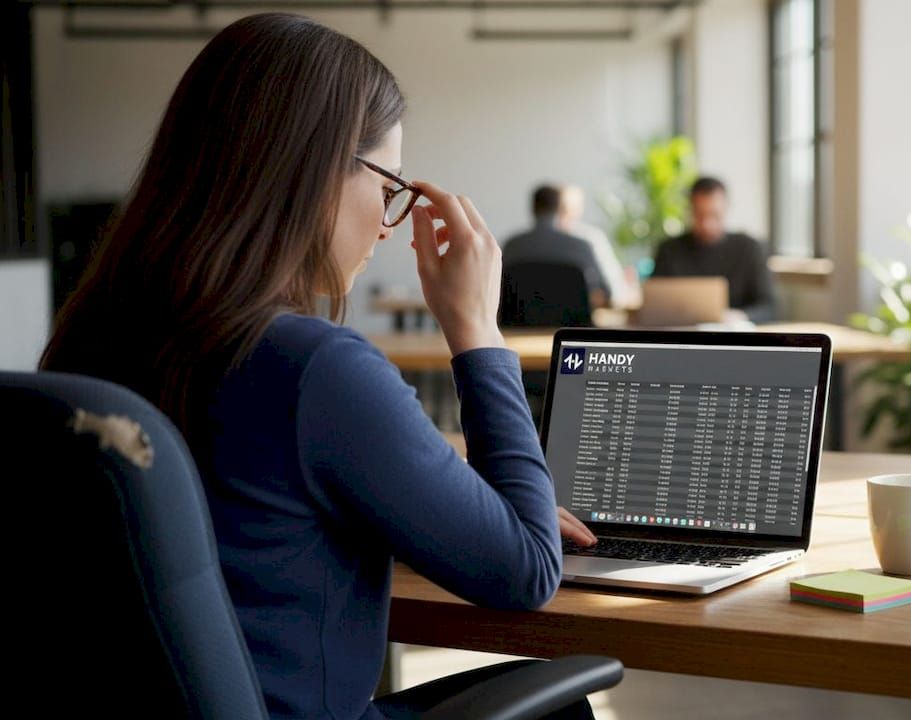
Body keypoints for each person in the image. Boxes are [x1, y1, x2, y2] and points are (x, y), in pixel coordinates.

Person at [39, 13, 596, 720]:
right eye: (388, 183)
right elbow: (527, 571)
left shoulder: (90, 338)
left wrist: (451, 506)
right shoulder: (314, 369)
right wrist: (476, 329)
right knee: (560, 709)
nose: (389, 222)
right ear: (314, 166)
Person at [652, 176, 776, 323]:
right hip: (679, 336)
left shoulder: (749, 248)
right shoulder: (669, 250)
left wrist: (741, 316)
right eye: (700, 215)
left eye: (715, 215)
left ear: (726, 209)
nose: (707, 224)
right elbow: (654, 304)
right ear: (690, 210)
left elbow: (770, 307)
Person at [501, 185, 610, 308]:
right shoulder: (581, 247)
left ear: (533, 208)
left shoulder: (511, 246)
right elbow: (606, 292)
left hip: (517, 326)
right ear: (559, 209)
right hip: (572, 325)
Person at [556, 185, 635, 309]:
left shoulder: (521, 245)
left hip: (528, 325)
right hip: (579, 322)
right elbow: (614, 289)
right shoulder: (589, 239)